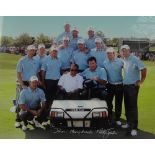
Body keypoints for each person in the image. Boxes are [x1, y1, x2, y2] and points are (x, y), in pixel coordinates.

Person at [121, 45, 147, 136]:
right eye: (122, 51)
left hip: (133, 87)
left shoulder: (135, 59)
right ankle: (128, 123)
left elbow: (143, 69)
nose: (124, 52)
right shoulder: (124, 59)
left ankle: (134, 127)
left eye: (125, 51)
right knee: (127, 106)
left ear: (129, 51)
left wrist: (141, 81)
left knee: (133, 107)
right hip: (125, 86)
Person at [15, 45, 40, 128]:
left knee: (32, 102)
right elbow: (18, 74)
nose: (32, 52)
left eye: (33, 50)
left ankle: (29, 118)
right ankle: (18, 120)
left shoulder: (35, 61)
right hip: (24, 82)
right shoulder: (22, 60)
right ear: (27, 51)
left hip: (33, 83)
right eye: (31, 50)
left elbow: (36, 73)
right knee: (20, 102)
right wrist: (22, 85)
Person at [103, 47, 124, 126]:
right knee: (109, 103)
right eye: (107, 53)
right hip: (110, 85)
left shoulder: (120, 61)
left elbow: (127, 69)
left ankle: (117, 118)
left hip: (119, 85)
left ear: (114, 54)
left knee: (118, 103)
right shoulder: (105, 63)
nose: (109, 55)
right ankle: (110, 118)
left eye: (110, 53)